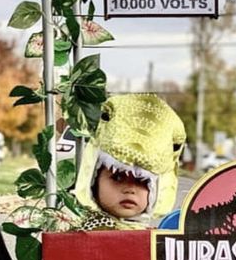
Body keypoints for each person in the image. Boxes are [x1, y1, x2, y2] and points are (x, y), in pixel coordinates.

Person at [72, 93, 186, 231]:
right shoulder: (79, 234)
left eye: (143, 181)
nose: (130, 190)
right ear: (94, 179)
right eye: (117, 177)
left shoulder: (158, 242)